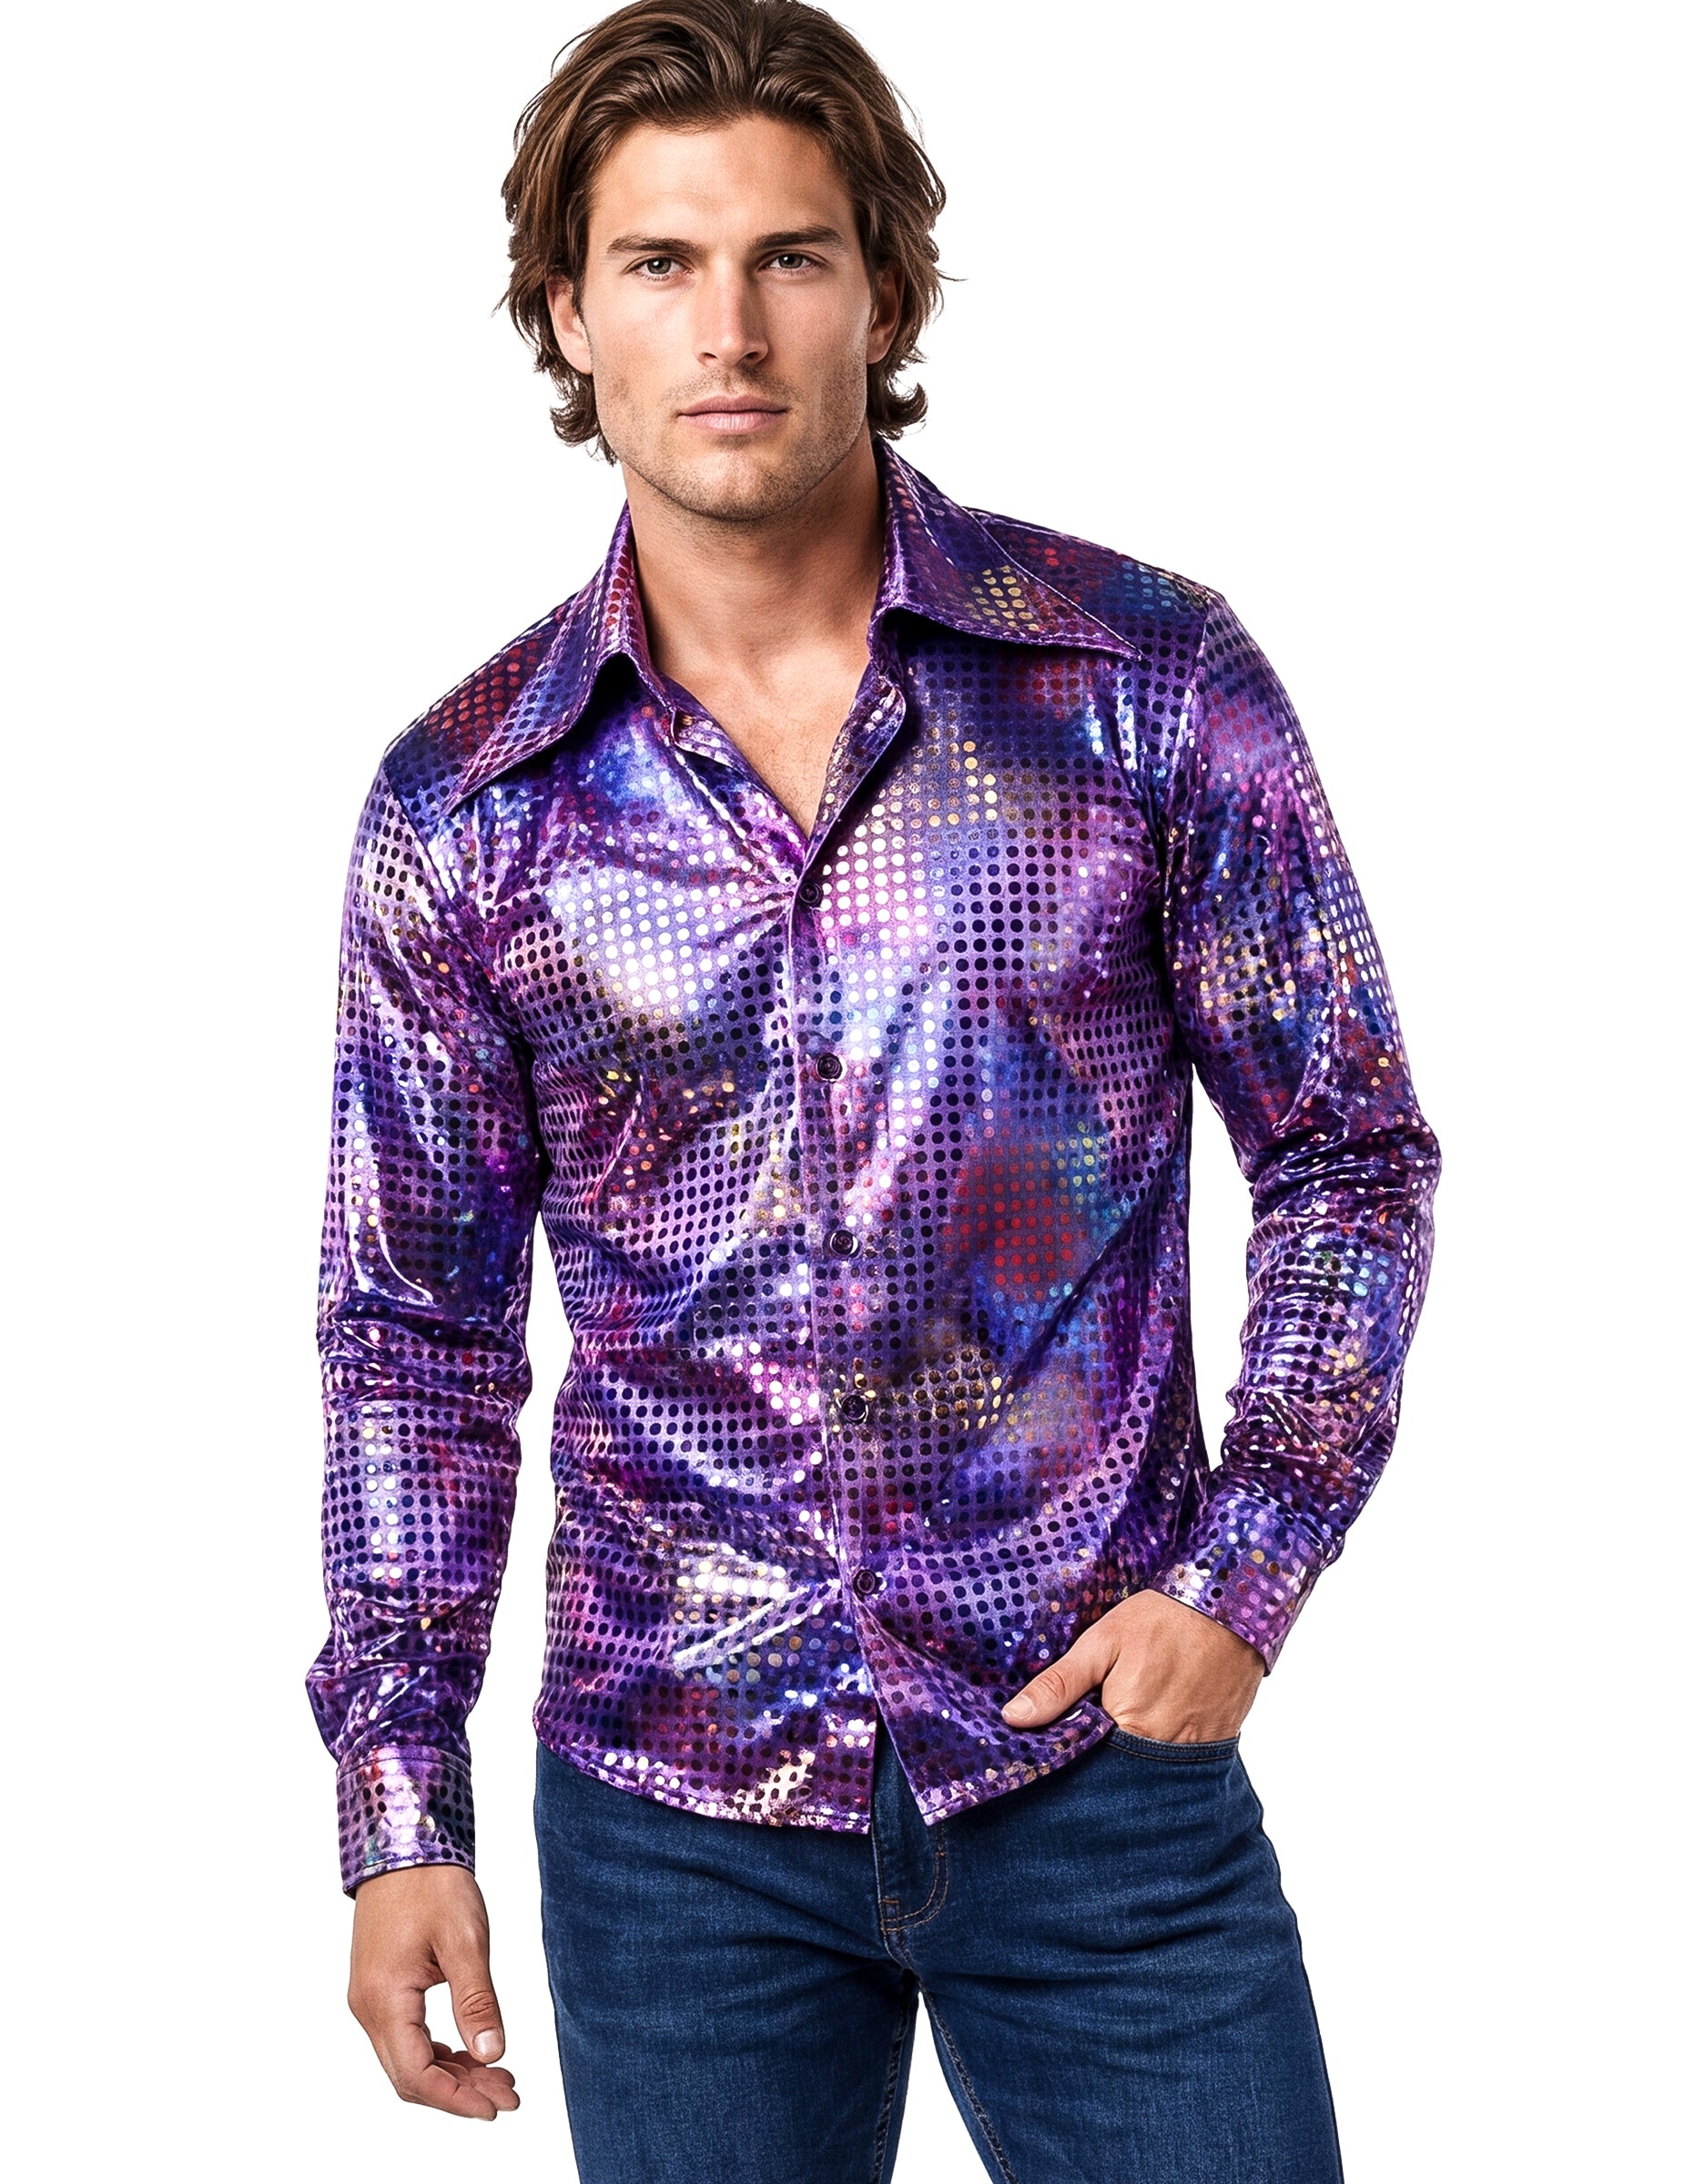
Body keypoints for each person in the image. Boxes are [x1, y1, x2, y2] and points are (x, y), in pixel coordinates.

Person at [307, 3, 1440, 2177]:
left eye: (790, 258)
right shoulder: (466, 806)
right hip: (672, 1823)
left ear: (885, 293)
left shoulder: (1138, 685)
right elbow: (412, 1335)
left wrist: (1247, 1572)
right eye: (659, 263)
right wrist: (395, 1802)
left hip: (1092, 1772)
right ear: (569, 312)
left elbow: (1347, 1151)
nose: (727, 330)